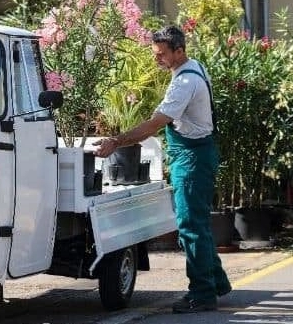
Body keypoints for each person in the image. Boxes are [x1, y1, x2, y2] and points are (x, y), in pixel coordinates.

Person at [93, 25, 232, 313]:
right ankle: (216, 282)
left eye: (162, 54)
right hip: (196, 154)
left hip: (192, 159)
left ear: (179, 51)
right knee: (198, 224)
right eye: (155, 53)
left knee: (190, 227)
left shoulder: (184, 84)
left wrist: (116, 141)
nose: (157, 59)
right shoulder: (193, 68)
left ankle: (202, 294)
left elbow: (156, 124)